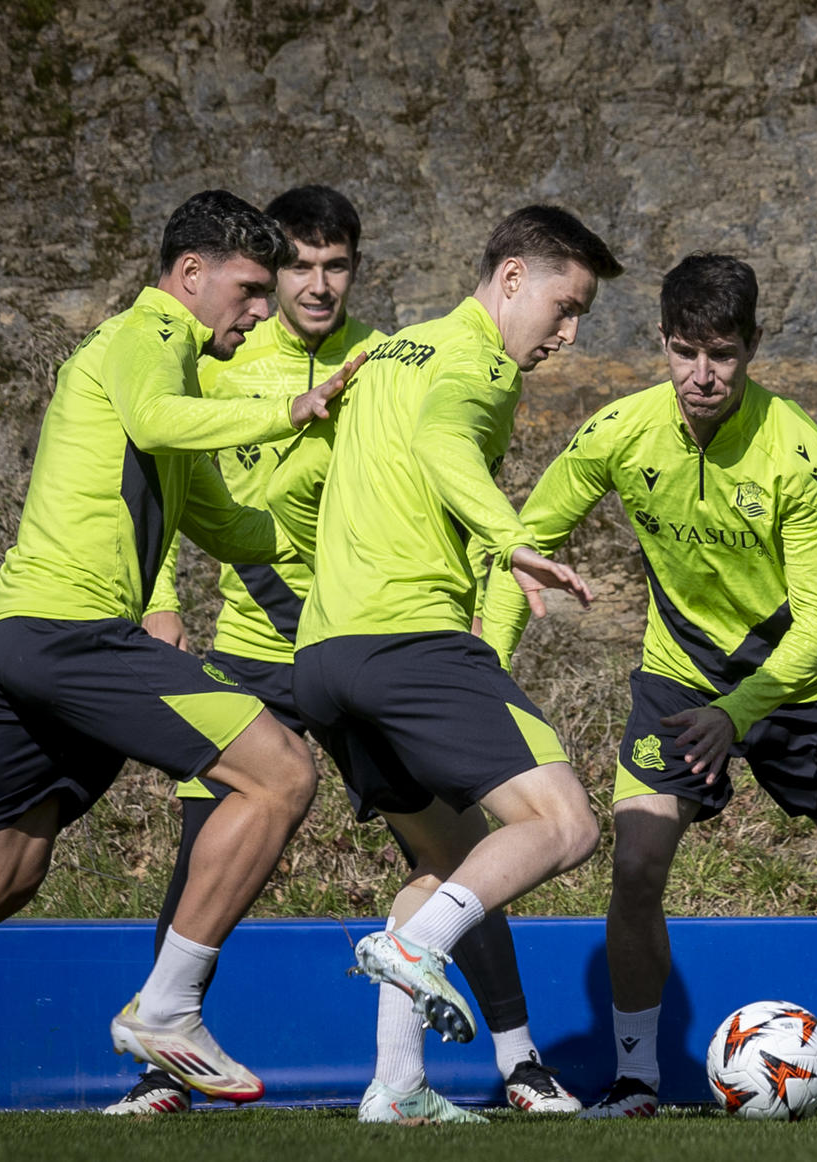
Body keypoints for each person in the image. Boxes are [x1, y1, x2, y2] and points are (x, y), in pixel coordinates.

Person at [0, 191, 358, 1119]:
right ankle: (167, 1012)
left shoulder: (172, 378)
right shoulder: (148, 335)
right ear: (190, 276)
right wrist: (291, 408)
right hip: (69, 634)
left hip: (15, 639)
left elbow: (229, 523)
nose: (259, 310)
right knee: (280, 774)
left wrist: (339, 480)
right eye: (249, 290)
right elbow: (165, 425)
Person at [479, 253, 817, 1120]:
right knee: (637, 865)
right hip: (678, 678)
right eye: (685, 351)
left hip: (802, 692)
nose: (701, 375)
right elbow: (524, 547)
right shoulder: (619, 432)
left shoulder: (798, 451)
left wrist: (738, 715)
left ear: (753, 347)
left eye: (722, 354)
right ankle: (636, 1081)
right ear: (661, 341)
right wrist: (488, 667)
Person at [106, 187, 578, 1117]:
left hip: (341, 635)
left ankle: (489, 1064)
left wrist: (485, 609)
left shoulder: (381, 356)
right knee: (213, 845)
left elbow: (431, 468)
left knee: (450, 845)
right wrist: (155, 598)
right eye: (297, 267)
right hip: (281, 642)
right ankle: (166, 1065)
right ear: (269, 274)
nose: (318, 285)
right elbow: (161, 472)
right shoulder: (227, 356)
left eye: (337, 266)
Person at [267, 204, 622, 1125]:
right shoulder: (480, 365)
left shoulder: (383, 354)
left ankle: (395, 1086)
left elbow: (287, 488)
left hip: (324, 658)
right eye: (565, 305)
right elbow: (442, 444)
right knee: (567, 822)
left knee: (449, 864)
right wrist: (510, 540)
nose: (569, 334)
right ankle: (418, 951)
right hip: (409, 644)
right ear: (511, 280)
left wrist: (343, 560)